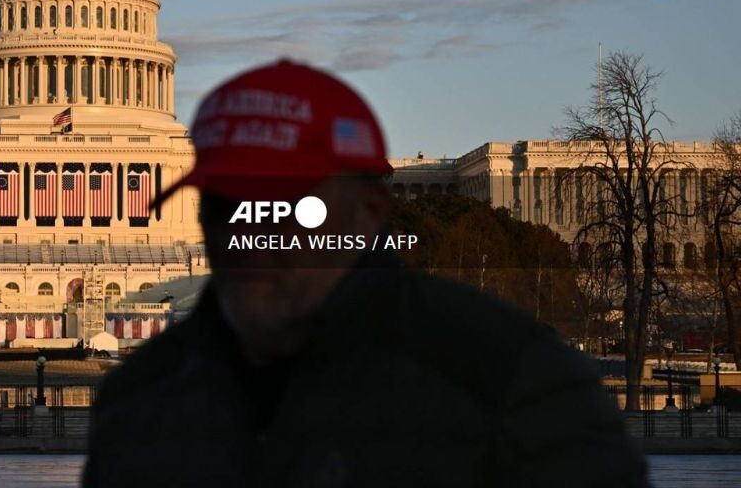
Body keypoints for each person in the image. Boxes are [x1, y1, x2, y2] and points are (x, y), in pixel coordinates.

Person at [82, 59, 647, 487]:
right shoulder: (140, 396)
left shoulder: (512, 373)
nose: (249, 235)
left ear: (370, 211)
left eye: (286, 204)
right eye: (224, 204)